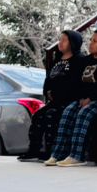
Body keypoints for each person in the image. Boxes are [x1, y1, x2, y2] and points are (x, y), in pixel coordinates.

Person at [47, 29, 97, 166]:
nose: (91, 43)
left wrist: (91, 98)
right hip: (84, 97)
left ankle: (77, 156)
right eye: (90, 40)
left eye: (95, 41)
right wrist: (82, 97)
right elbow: (78, 83)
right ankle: (58, 154)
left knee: (84, 113)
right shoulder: (86, 61)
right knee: (68, 112)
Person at [18, 30, 85, 161]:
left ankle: (52, 152)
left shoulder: (79, 60)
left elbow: (75, 83)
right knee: (38, 116)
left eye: (64, 40)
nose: (60, 43)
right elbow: (48, 79)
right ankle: (34, 150)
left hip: (69, 101)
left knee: (51, 116)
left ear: (73, 43)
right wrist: (47, 91)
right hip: (54, 101)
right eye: (60, 39)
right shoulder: (57, 60)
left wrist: (59, 94)